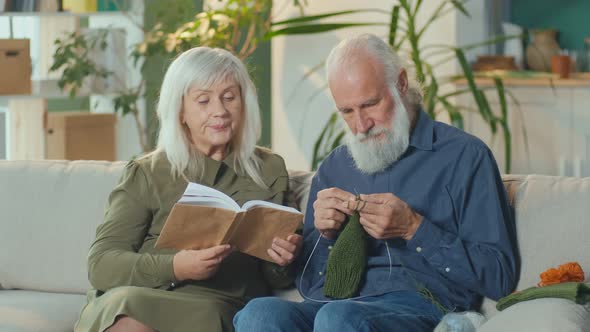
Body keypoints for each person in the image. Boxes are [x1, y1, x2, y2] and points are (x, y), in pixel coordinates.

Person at [234, 33, 517, 331]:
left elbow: (499, 277)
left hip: (421, 304)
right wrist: (325, 236)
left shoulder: (465, 156)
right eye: (347, 111)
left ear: (401, 83)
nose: (360, 125)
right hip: (333, 305)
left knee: (339, 318)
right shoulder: (335, 166)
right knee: (259, 313)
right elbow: (312, 284)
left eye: (370, 104)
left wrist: (414, 228)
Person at [75, 46, 303, 332]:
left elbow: (279, 280)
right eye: (204, 100)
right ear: (181, 110)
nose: (219, 111)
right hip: (140, 296)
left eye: (229, 97)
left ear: (243, 103)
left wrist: (283, 258)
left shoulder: (268, 168)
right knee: (127, 313)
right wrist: (176, 267)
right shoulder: (147, 172)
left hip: (222, 305)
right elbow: (101, 264)